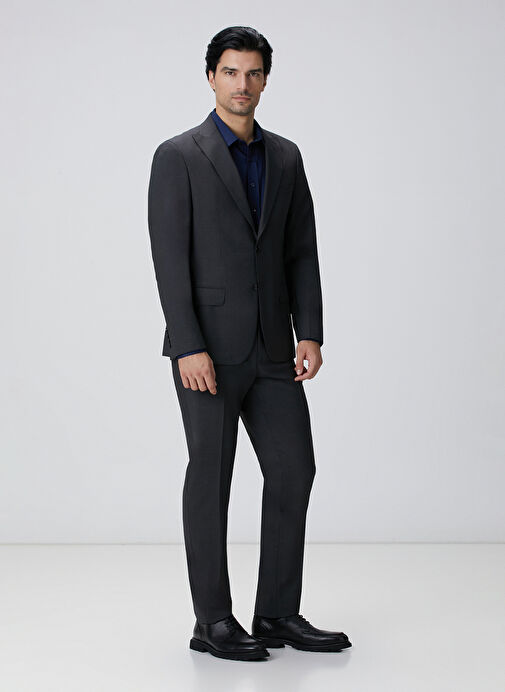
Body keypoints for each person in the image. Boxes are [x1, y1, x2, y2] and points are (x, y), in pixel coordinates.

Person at [147, 25, 352, 661]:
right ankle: (212, 621)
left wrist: (309, 330)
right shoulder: (178, 156)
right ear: (211, 76)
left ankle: (277, 612)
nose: (243, 84)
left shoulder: (285, 157)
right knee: (211, 477)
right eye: (231, 72)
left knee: (294, 468)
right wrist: (188, 344)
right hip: (205, 351)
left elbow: (301, 251)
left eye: (254, 73)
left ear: (266, 79)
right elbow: (168, 259)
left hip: (272, 349)